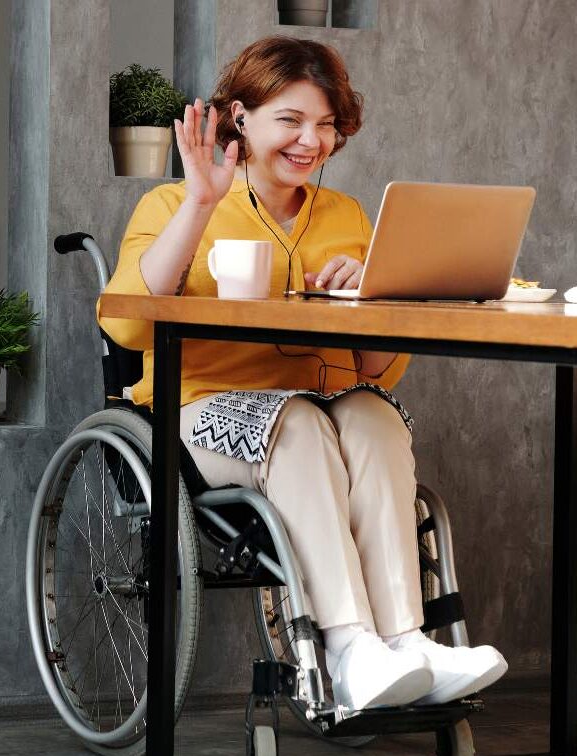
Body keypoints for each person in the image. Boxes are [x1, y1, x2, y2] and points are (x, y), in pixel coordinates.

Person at [99, 35, 507, 711]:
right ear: (241, 117)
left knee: (373, 415)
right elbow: (128, 327)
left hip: (322, 409)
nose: (310, 140)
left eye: (325, 125)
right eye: (290, 119)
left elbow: (377, 369)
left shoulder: (345, 217)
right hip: (203, 412)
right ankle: (348, 647)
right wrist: (201, 204)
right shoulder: (173, 206)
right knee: (300, 423)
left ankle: (405, 643)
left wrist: (372, 296)